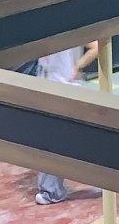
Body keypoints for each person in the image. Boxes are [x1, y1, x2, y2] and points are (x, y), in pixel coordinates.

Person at [32, 41, 99, 205]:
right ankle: (52, 189)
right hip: (45, 91)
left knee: (54, 141)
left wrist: (77, 66)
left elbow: (96, 47)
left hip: (64, 92)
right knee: (57, 141)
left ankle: (51, 191)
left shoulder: (65, 32)